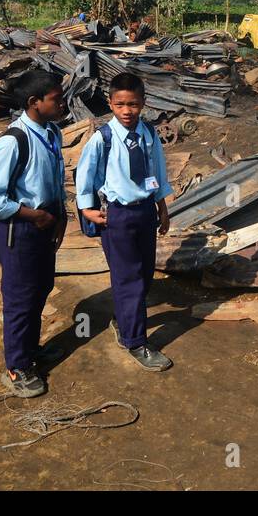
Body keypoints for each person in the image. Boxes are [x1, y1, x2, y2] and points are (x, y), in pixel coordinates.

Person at [0, 71, 69, 398]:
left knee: (41, 288)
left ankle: (30, 350)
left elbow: (56, 177)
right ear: (34, 103)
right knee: (19, 299)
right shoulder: (13, 142)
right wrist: (35, 214)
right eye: (56, 99)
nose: (62, 103)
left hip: (46, 223)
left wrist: (60, 215)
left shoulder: (52, 132)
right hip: (21, 230)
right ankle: (16, 367)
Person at [75, 73, 174, 372]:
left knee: (144, 273)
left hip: (144, 211)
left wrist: (162, 206)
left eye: (133, 104)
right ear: (111, 103)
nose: (127, 111)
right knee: (127, 277)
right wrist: (86, 208)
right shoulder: (102, 138)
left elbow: (157, 169)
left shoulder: (149, 134)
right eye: (120, 105)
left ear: (143, 103)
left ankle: (124, 318)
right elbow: (85, 174)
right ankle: (135, 341)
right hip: (117, 215)